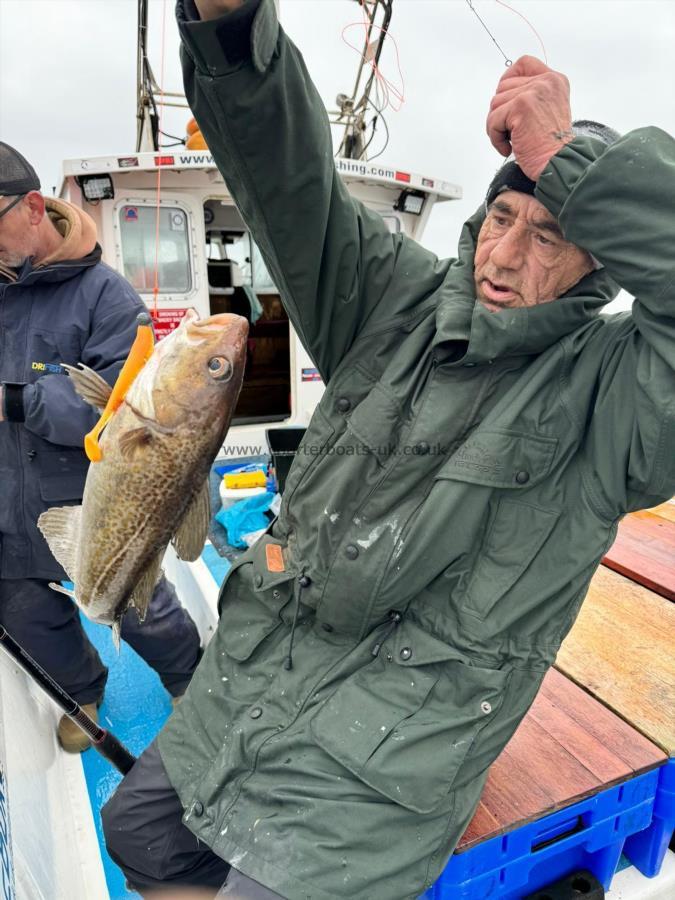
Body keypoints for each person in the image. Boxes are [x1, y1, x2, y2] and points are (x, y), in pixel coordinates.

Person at [102, 1, 675, 897]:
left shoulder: (618, 396)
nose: (506, 252)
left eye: (551, 234)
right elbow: (290, 185)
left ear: (597, 269)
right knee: (135, 836)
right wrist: (227, 27)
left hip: (385, 765)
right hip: (255, 685)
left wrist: (567, 163)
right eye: (500, 219)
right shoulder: (392, 300)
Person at [0, 141, 203, 754]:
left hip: (85, 497)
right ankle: (83, 685)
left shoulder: (107, 296)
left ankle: (192, 684)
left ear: (33, 208)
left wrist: (19, 401)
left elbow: (122, 395)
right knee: (22, 606)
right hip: (7, 502)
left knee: (142, 606)